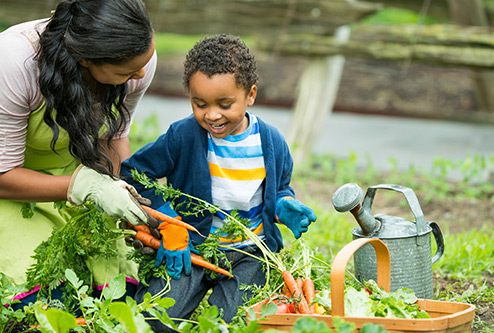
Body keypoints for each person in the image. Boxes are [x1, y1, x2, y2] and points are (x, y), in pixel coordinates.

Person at [120, 34, 317, 331]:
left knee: (228, 323)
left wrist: (282, 205)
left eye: (225, 104)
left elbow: (279, 187)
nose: (212, 115)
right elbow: (133, 173)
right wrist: (170, 223)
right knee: (153, 320)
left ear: (250, 95)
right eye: (199, 104)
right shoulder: (183, 136)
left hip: (249, 252)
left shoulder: (271, 142)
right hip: (193, 246)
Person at [0, 0, 158, 308]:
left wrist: (120, 194)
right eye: (127, 70)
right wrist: (88, 186)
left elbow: (113, 137)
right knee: (44, 302)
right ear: (86, 59)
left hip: (79, 175)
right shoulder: (15, 62)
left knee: (118, 297)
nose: (140, 73)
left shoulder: (138, 63)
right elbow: (3, 175)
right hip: (14, 187)